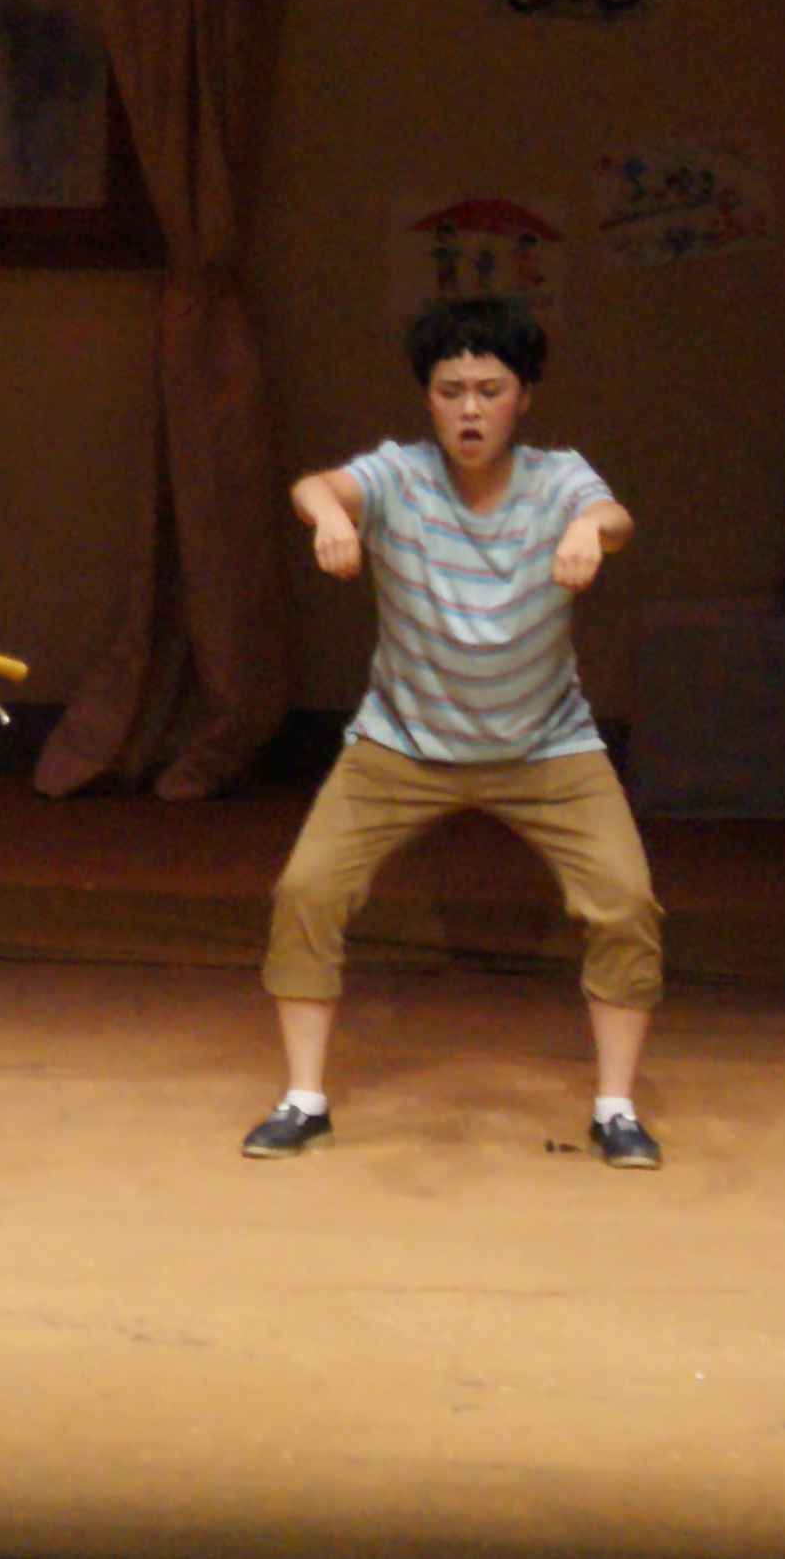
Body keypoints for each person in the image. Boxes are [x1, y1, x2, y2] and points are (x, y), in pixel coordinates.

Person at [241, 297, 661, 1168]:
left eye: (490, 390)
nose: (470, 408)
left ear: (524, 397)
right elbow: (315, 486)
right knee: (307, 890)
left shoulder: (559, 479)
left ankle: (616, 1108)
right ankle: (304, 1098)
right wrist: (330, 515)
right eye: (450, 390)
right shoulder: (398, 477)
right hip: (401, 743)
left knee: (625, 902)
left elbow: (614, 515)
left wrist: (590, 528)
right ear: (428, 398)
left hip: (547, 744)